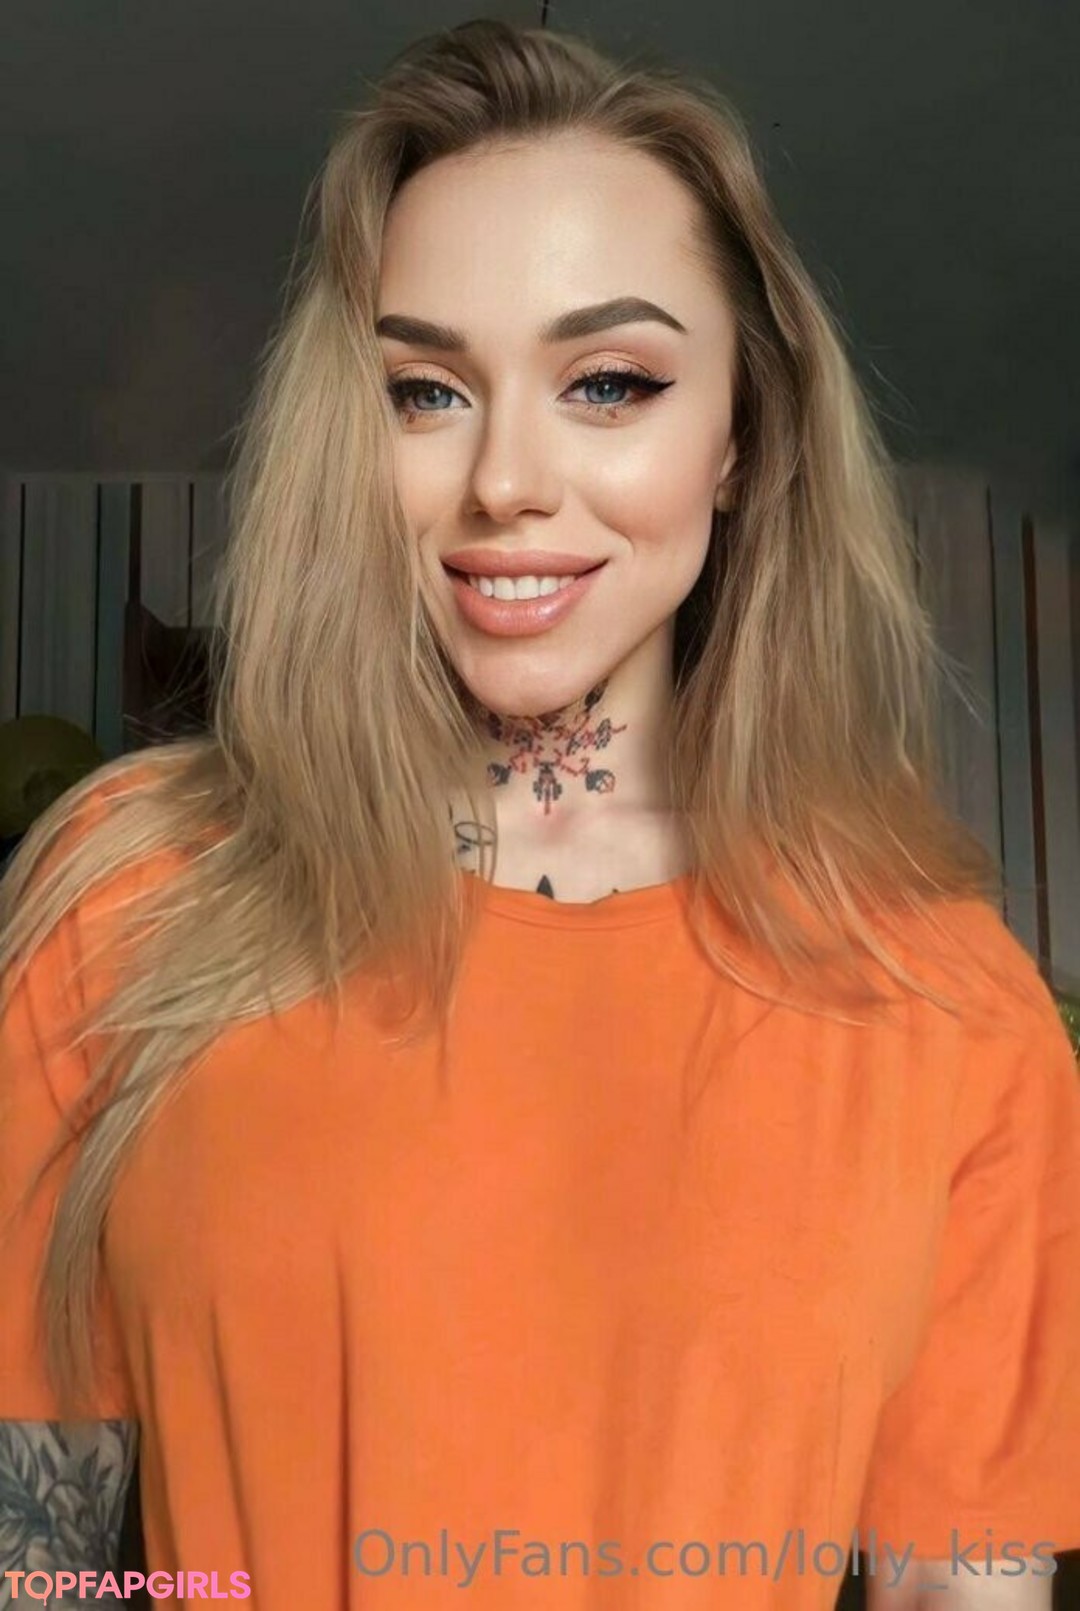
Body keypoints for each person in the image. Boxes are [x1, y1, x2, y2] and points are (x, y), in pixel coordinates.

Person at [2, 17, 1079, 1611]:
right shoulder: (126, 906)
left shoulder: (952, 1008)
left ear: (742, 436)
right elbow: (38, 1562)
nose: (505, 478)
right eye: (426, 391)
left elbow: (958, 1589)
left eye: (610, 384)